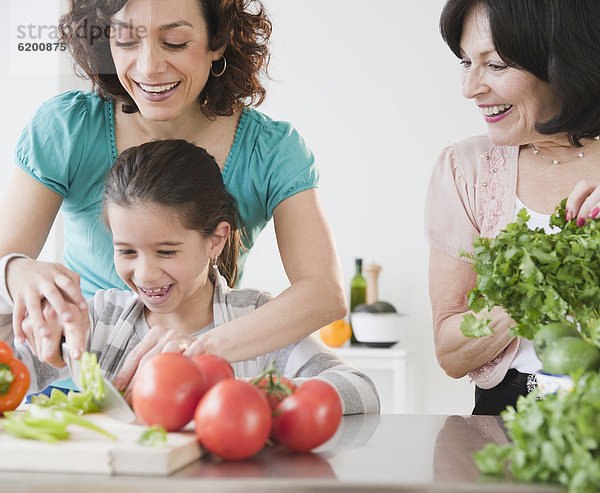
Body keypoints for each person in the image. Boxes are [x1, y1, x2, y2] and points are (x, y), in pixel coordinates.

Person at [0, 0, 346, 391]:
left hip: (188, 375)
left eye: (176, 42)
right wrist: (13, 269)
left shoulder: (270, 151)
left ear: (219, 40)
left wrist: (198, 349)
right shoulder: (67, 128)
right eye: (126, 40)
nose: (148, 68)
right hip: (86, 369)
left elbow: (323, 293)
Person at [0, 140, 380, 414]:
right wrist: (14, 275)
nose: (145, 273)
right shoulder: (98, 319)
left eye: (167, 251)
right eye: (127, 251)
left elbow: (360, 390)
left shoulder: (257, 317)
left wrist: (234, 395)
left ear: (215, 240)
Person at [425, 0, 600, 415]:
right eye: (467, 62)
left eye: (496, 65)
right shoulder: (464, 170)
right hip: (510, 414)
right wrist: (534, 288)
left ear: (563, 63)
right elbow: (451, 353)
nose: (470, 87)